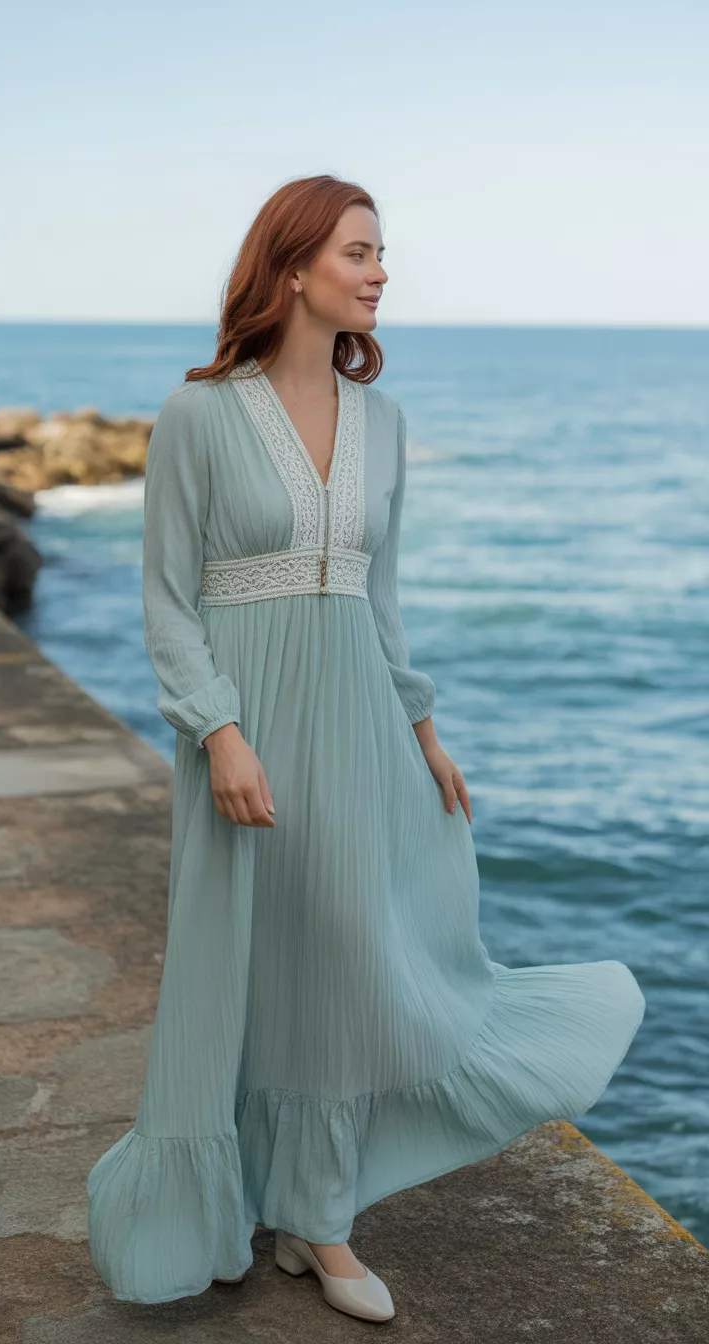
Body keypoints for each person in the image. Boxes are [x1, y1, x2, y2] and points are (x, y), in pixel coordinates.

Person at [86, 174, 646, 1322]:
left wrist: (424, 730)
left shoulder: (384, 425)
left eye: (382, 253)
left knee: (350, 961)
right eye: (359, 252)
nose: (380, 271)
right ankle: (254, 1205)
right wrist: (219, 733)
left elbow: (381, 603)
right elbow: (169, 603)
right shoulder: (198, 415)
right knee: (248, 962)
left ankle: (322, 1218)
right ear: (293, 269)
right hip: (245, 730)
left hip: (357, 724)